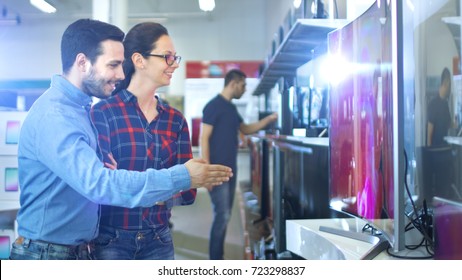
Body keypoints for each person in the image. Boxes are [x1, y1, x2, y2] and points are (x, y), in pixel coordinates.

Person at [10, 19, 232, 260]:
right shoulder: (57, 115)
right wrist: (181, 177)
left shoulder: (80, 110)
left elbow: (102, 178)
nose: (121, 73)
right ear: (83, 62)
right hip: (48, 255)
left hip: (78, 250)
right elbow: (101, 185)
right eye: (114, 64)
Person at [90, 22, 192, 260]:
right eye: (167, 57)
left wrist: (129, 184)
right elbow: (104, 186)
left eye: (175, 57)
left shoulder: (175, 121)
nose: (175, 64)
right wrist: (166, 184)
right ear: (139, 60)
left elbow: (188, 191)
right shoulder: (103, 113)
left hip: (159, 240)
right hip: (110, 241)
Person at [200, 69, 278, 259]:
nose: (244, 90)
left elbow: (246, 129)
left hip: (229, 171)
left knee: (224, 215)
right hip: (217, 172)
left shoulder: (231, 108)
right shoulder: (212, 106)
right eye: (243, 85)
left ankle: (217, 258)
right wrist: (206, 171)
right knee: (222, 215)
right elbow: (204, 138)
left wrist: (269, 119)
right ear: (233, 83)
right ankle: (216, 260)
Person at [427, 67, 453, 146]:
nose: (449, 89)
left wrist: (456, 125)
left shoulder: (445, 104)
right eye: (449, 85)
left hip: (445, 148)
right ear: (445, 83)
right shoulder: (433, 104)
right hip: (436, 150)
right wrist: (430, 154)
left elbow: (448, 123)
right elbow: (429, 133)